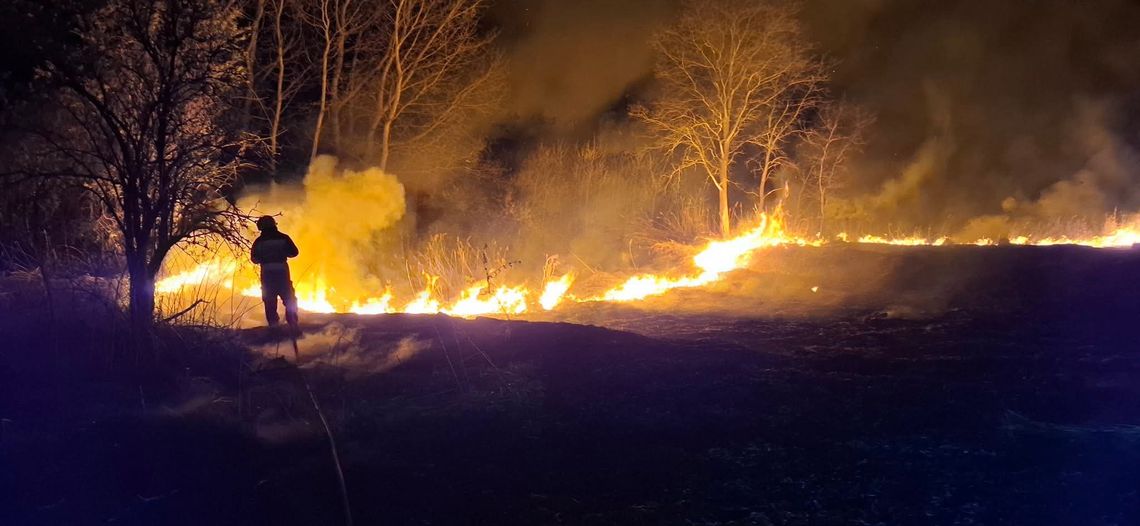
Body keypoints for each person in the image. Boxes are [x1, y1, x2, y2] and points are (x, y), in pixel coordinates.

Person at [251, 215, 300, 330]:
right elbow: (294, 252)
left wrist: (265, 258)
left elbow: (254, 259)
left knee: (269, 300)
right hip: (282, 271)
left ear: (260, 227)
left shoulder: (259, 242)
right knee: (289, 297)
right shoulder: (283, 238)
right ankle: (292, 321)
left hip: (267, 273)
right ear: (274, 225)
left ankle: (274, 326)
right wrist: (282, 253)